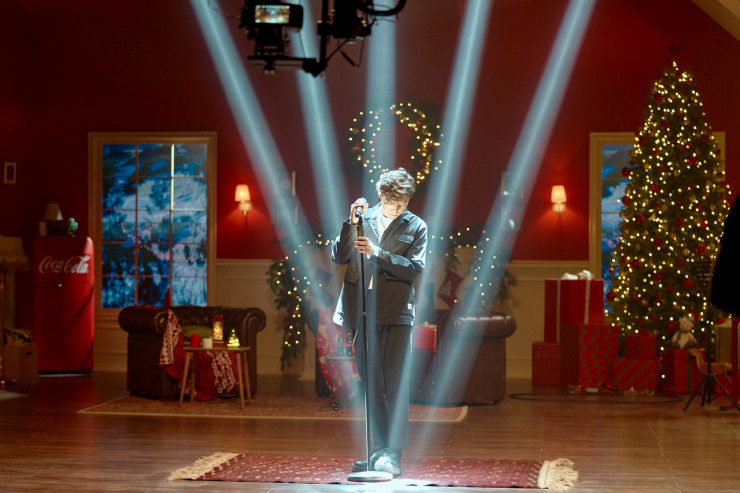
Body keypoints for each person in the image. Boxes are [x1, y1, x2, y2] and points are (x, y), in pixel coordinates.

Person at [331, 167, 428, 477]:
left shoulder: (416, 226)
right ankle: (380, 449)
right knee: (372, 384)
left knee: (395, 383)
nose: (399, 208)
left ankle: (393, 454)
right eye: (393, 201)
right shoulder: (362, 219)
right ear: (381, 194)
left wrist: (378, 253)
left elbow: (414, 268)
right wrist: (351, 223)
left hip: (396, 310)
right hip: (361, 309)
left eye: (404, 202)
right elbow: (338, 256)